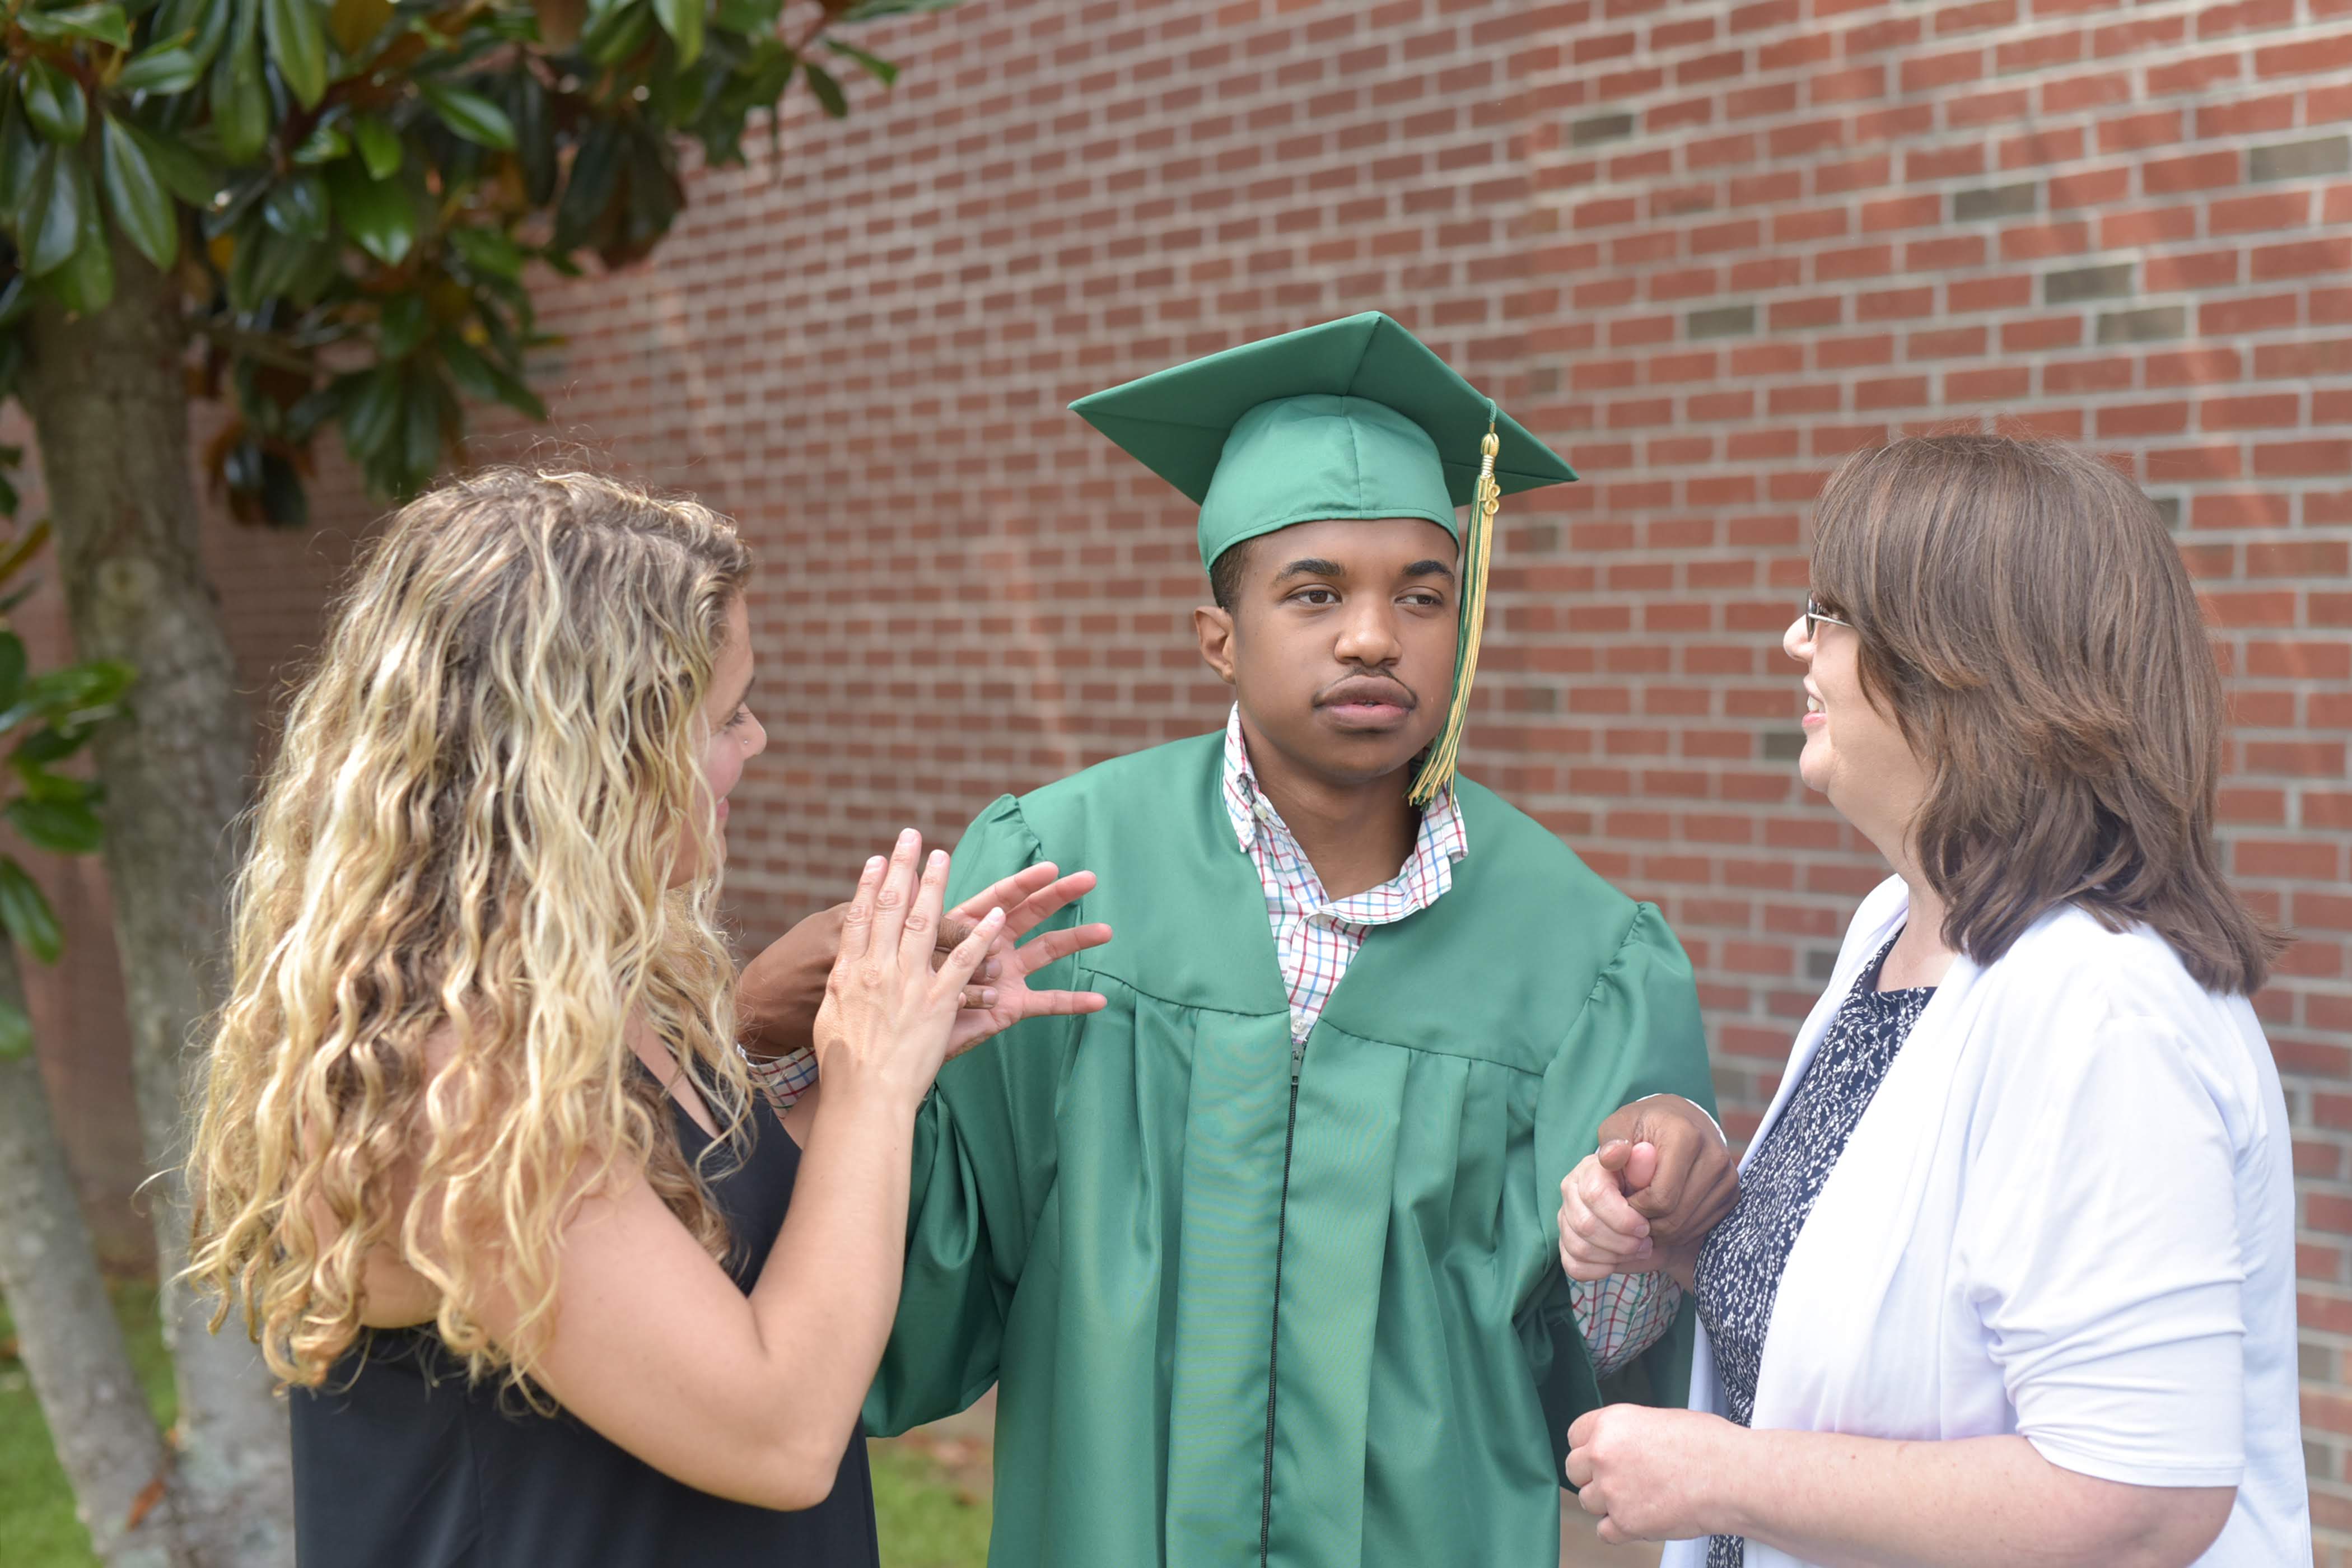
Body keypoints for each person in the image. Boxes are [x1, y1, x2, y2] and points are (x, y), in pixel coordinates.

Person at [749, 312, 1739, 1568]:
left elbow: (1610, 1377)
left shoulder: (1586, 955)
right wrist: (808, 1060)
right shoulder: (1052, 876)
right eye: (1316, 592)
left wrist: (1647, 1233)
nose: (1374, 633)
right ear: (1219, 635)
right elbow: (926, 1243)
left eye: (1423, 595)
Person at [183, 469, 1109, 1567]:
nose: (754, 742)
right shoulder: (454, 1071)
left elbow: (707, 1239)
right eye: (724, 716)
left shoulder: (577, 993)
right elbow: (778, 1430)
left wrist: (836, 1058)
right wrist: (872, 1078)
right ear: (590, 755)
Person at [1555, 435, 2309, 1566]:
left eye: (1832, 611)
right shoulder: (1896, 930)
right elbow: (1890, 1306)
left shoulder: (2106, 1007)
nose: (1795, 642)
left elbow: (2139, 1496)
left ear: (1960, 663)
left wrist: (1725, 1472)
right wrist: (1679, 1229)